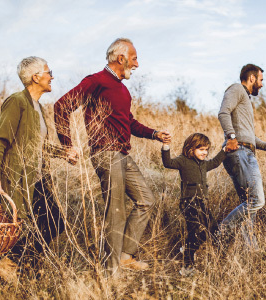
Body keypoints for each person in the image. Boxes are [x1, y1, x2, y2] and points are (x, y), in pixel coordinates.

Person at [54, 38, 171, 274]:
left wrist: (154, 133)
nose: (137, 63)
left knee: (146, 199)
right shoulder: (96, 81)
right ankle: (109, 270)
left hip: (122, 154)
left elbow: (128, 122)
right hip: (106, 154)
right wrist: (67, 145)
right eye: (134, 58)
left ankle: (125, 256)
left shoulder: (122, 89)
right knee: (115, 210)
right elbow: (62, 106)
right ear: (121, 58)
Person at [0, 56, 75, 282]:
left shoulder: (39, 107)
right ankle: (14, 267)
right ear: (36, 77)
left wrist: (63, 153)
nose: (51, 76)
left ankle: (18, 269)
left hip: (39, 177)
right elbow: (0, 140)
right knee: (39, 223)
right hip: (21, 177)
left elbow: (40, 145)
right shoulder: (17, 102)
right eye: (48, 71)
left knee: (54, 222)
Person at [216, 64, 266, 249]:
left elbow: (249, 137)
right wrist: (231, 137)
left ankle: (251, 251)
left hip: (245, 150)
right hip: (240, 153)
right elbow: (223, 113)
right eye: (261, 80)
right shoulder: (236, 89)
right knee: (256, 201)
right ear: (252, 78)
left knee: (248, 207)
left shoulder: (245, 98)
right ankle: (222, 230)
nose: (262, 84)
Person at [161, 133, 227, 276]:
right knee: (195, 232)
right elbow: (168, 163)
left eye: (206, 150)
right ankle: (187, 267)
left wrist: (225, 151)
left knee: (212, 229)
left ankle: (189, 248)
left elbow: (215, 162)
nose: (205, 153)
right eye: (201, 149)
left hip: (203, 203)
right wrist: (165, 146)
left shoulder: (203, 164)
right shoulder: (183, 161)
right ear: (190, 149)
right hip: (189, 203)